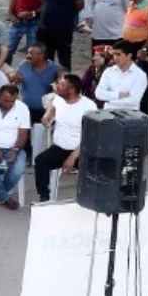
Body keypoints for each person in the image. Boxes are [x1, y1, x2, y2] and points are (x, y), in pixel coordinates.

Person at [35, 75, 92, 203]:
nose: (57, 87)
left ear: (71, 90)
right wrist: (48, 115)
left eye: (61, 85)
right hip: (59, 147)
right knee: (40, 161)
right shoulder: (59, 99)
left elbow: (90, 136)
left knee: (94, 169)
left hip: (80, 149)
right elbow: (53, 105)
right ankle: (44, 197)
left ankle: (88, 199)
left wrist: (72, 157)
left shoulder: (88, 107)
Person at [95, 40, 148, 111]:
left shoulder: (140, 75)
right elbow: (98, 94)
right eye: (114, 54)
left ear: (129, 56)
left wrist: (108, 99)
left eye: (118, 54)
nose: (115, 58)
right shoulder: (108, 71)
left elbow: (133, 101)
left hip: (129, 117)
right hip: (107, 115)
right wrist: (119, 95)